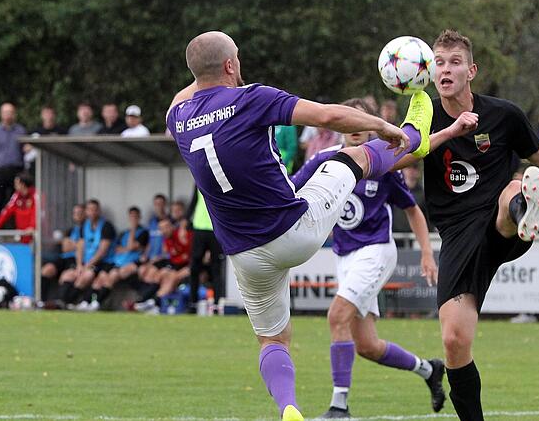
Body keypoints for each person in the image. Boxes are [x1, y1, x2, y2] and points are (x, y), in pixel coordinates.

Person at [165, 31, 473, 421]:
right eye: (236, 58)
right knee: (351, 157)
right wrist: (383, 126)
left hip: (244, 255)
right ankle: (414, 135)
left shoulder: (178, 117)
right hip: (295, 231)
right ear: (230, 65)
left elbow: (187, 91)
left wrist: (202, 69)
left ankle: (289, 407)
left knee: (272, 339)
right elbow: (328, 115)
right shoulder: (250, 98)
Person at [392, 30, 539, 420]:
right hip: (457, 236)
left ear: (472, 71)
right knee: (454, 342)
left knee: (515, 187)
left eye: (454, 62)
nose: (445, 69)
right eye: (439, 62)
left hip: (501, 224)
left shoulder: (504, 115)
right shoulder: (424, 114)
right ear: (430, 71)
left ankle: (522, 210)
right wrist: (450, 132)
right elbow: (398, 160)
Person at [291, 98, 445, 418]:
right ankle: (429, 370)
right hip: (345, 256)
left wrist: (427, 253)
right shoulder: (323, 159)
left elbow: (412, 209)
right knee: (368, 346)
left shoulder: (381, 162)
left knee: (336, 317)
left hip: (376, 251)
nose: (356, 130)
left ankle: (339, 406)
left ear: (371, 126)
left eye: (363, 123)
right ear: (340, 127)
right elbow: (289, 191)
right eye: (350, 123)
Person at [85, 206, 150, 311]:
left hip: (132, 263)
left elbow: (131, 246)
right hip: (118, 262)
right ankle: (90, 301)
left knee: (112, 277)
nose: (133, 219)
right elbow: (117, 249)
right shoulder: (124, 233)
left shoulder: (143, 232)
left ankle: (97, 302)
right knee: (99, 280)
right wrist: (128, 248)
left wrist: (133, 230)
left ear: (139, 217)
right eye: (131, 216)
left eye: (135, 217)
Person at [56, 199, 116, 308]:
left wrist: (87, 266)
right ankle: (60, 301)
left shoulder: (106, 226)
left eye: (94, 210)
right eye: (89, 209)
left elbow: (102, 251)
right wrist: (79, 265)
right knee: (67, 275)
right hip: (85, 263)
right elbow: (80, 247)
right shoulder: (84, 226)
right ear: (86, 211)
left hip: (101, 263)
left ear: (99, 211)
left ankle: (86, 302)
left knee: (90, 277)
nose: (92, 212)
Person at [134, 218, 192, 313]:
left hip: (191, 266)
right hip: (176, 266)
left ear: (172, 226)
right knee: (160, 274)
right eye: (161, 229)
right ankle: (148, 301)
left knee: (172, 277)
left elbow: (194, 255)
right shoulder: (167, 240)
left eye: (165, 227)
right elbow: (170, 257)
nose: (163, 231)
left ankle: (154, 303)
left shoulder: (183, 235)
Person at [0, 103, 26, 220]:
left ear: (15, 114)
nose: (8, 115)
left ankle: (16, 229)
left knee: (17, 201)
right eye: (5, 112)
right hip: (0, 171)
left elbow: (25, 152)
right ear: (1, 114)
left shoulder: (21, 130)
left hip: (16, 171)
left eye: (10, 112)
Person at [187, 188, 224, 311]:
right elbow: (194, 199)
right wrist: (187, 219)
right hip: (200, 228)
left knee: (216, 267)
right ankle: (193, 302)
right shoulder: (199, 171)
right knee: (195, 267)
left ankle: (217, 303)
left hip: (215, 228)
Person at [41, 204, 85, 302]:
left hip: (76, 259)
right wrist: (76, 244)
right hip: (64, 258)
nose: (77, 215)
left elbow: (83, 246)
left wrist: (74, 245)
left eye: (80, 213)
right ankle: (42, 301)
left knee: (67, 276)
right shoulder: (71, 230)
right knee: (47, 269)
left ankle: (61, 302)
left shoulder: (87, 229)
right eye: (75, 213)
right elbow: (65, 247)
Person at [0, 173, 36, 243]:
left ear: (22, 184)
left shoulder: (35, 196)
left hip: (34, 236)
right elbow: (6, 211)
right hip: (22, 235)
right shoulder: (16, 196)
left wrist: (32, 227)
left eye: (16, 183)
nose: (14, 186)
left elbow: (36, 213)